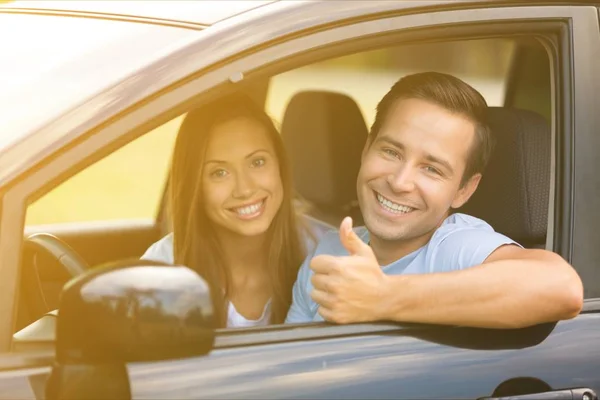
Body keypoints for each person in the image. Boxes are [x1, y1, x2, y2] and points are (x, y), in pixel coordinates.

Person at [285, 72, 583, 328]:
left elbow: (561, 287)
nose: (400, 182)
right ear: (366, 150)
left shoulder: (454, 247)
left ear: (463, 190)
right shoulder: (330, 250)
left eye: (431, 169)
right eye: (391, 152)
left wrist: (383, 296)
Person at [142, 93, 329, 328]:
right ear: (195, 187)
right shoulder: (162, 270)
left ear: (280, 165)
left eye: (257, 162)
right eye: (219, 173)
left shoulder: (328, 251)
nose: (245, 189)